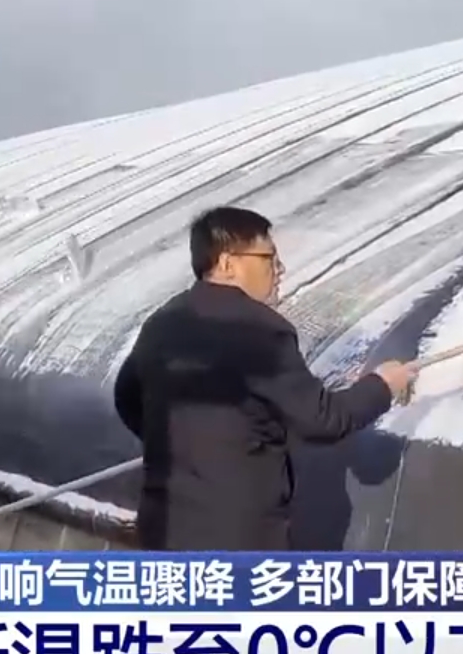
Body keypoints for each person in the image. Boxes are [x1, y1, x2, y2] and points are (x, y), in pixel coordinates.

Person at [113, 206, 416, 551]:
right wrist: (382, 385)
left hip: (164, 531)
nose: (280, 269)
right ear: (227, 264)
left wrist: (181, 442)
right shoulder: (259, 329)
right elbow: (323, 419)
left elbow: (127, 398)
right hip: (238, 537)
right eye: (268, 258)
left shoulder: (162, 323)